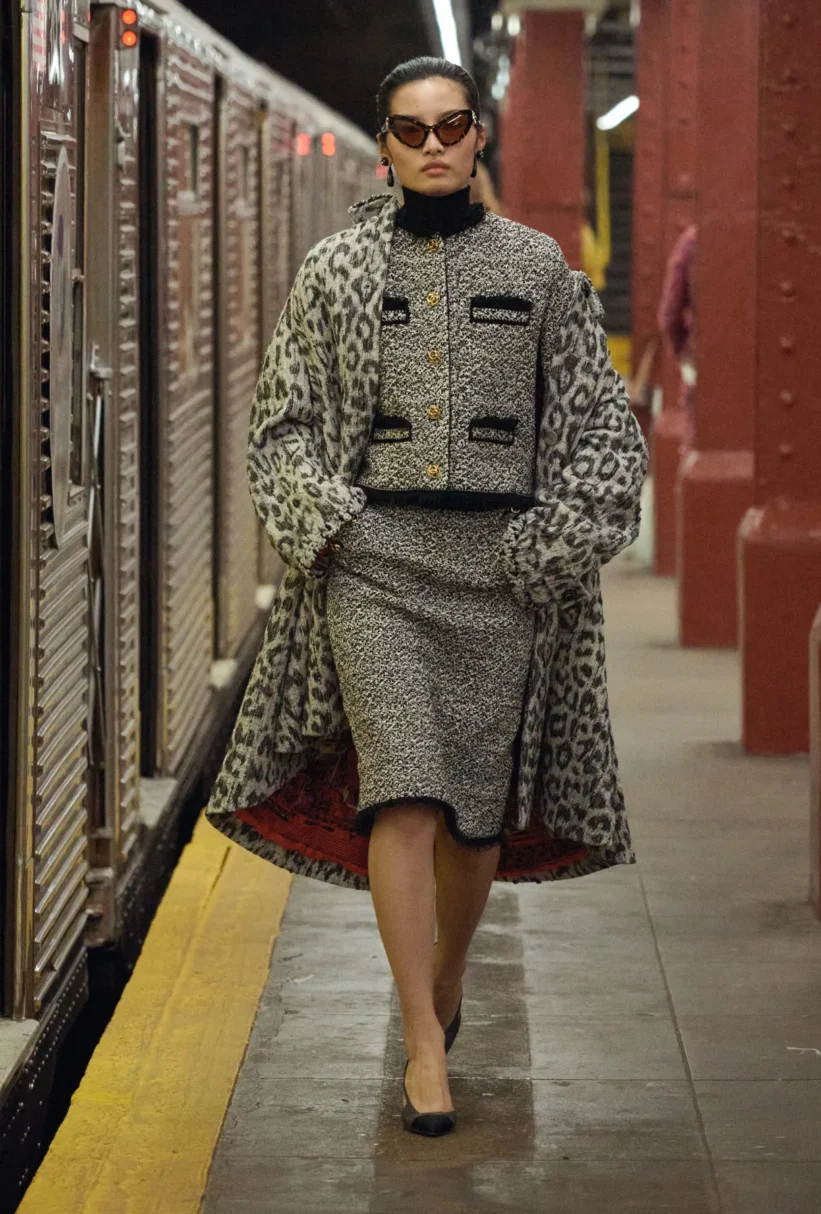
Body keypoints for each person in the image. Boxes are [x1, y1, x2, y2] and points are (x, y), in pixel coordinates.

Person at [205, 57, 648, 1138]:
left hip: (502, 575)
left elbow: (604, 429)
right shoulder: (335, 272)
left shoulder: (539, 269)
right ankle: (420, 1040)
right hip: (376, 567)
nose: (434, 145)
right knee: (401, 794)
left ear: (478, 135)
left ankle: (447, 979)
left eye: (452, 126)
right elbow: (280, 425)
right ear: (385, 147)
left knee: (473, 820)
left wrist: (548, 544)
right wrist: (335, 525)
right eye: (412, 130)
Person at [657, 223, 698, 451]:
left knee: (696, 442)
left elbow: (669, 315)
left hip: (702, 365)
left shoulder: (692, 241)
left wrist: (685, 354)